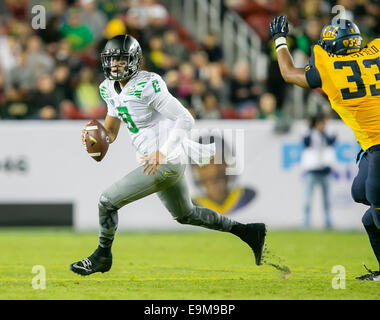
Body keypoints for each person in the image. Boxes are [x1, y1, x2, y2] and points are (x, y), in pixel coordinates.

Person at [70, 34, 266, 276]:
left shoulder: (148, 84)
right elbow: (111, 131)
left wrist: (162, 153)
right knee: (186, 214)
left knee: (107, 201)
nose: (114, 65)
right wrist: (96, 139)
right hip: (156, 162)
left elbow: (185, 118)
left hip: (166, 160)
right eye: (111, 61)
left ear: (134, 61)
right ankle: (249, 232)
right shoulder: (107, 88)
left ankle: (102, 256)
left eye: (120, 60)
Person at [269, 14, 380, 280]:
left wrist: (279, 40)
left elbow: (288, 72)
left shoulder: (327, 65)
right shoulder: (375, 49)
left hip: (377, 146)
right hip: (372, 147)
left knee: (376, 204)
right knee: (362, 198)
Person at [301, 114, 336, 229]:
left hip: (325, 170)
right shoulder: (310, 134)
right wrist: (310, 128)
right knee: (307, 199)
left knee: (327, 200)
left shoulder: (327, 134)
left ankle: (328, 222)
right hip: (312, 170)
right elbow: (305, 142)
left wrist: (325, 130)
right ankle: (306, 223)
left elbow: (332, 140)